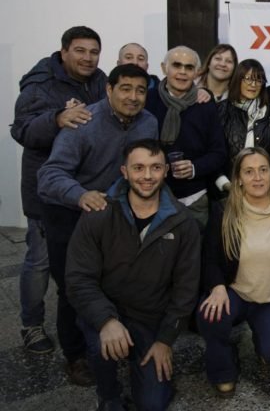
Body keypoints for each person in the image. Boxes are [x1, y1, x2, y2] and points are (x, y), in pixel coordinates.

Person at [37, 64, 157, 386]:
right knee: (72, 288)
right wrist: (81, 195)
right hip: (71, 213)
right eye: (125, 88)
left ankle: (111, 339)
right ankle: (75, 357)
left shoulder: (149, 122)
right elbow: (49, 176)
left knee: (112, 282)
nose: (133, 97)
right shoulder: (83, 122)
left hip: (114, 218)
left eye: (140, 90)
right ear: (109, 89)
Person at [66, 139, 201, 410]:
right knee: (99, 347)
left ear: (166, 171)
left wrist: (165, 340)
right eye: (138, 168)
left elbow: (186, 289)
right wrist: (106, 321)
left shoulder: (184, 223)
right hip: (105, 310)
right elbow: (78, 277)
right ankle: (109, 395)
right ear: (124, 172)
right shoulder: (98, 213)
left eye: (155, 168)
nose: (147, 176)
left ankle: (145, 365)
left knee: (153, 404)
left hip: (149, 319)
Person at [11, 25, 107, 356]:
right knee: (39, 260)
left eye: (94, 52)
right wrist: (57, 118)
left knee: (77, 267)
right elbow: (22, 130)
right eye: (80, 51)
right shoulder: (39, 85)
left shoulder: (99, 80)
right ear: (63, 52)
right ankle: (32, 324)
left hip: (85, 189)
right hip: (47, 191)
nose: (88, 57)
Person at [197, 147, 270, 397]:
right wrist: (217, 287)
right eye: (249, 172)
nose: (257, 178)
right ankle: (225, 367)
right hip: (235, 293)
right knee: (210, 316)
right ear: (238, 178)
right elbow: (209, 258)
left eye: (263, 170)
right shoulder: (223, 211)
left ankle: (263, 337)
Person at [145, 46, 227, 230]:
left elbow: (219, 153)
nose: (182, 72)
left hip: (194, 199)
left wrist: (194, 168)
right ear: (164, 68)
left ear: (197, 72)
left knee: (195, 256)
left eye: (189, 67)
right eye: (177, 65)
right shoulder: (148, 101)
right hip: (152, 196)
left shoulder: (205, 104)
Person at [217, 59, 270, 187]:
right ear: (238, 80)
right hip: (226, 189)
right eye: (248, 79)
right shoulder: (221, 110)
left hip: (264, 188)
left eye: (258, 80)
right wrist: (224, 183)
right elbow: (212, 151)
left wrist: (263, 178)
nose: (253, 84)